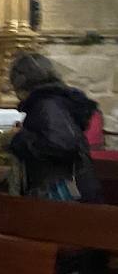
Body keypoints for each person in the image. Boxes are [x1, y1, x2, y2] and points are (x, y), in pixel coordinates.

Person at [7, 53, 102, 204]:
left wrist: (20, 137)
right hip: (75, 187)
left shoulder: (47, 104)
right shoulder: (54, 100)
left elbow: (61, 145)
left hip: (62, 192)